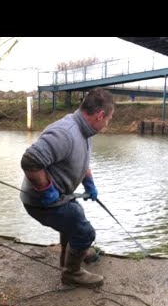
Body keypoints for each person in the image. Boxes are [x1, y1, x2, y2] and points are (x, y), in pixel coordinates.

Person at [20, 87, 114, 288]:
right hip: (40, 201)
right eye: (108, 119)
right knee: (85, 232)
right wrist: (46, 191)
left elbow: (80, 160)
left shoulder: (84, 131)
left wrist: (89, 183)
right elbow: (30, 161)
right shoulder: (66, 133)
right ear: (100, 115)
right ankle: (72, 273)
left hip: (61, 194)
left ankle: (69, 258)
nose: (107, 124)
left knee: (74, 216)